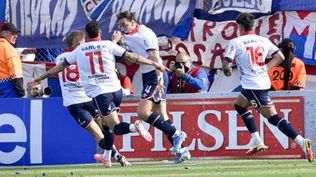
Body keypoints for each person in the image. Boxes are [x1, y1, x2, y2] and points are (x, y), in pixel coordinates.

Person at [31, 21, 167, 167]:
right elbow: (131, 57)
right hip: (113, 92)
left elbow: (58, 69)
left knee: (110, 129)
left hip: (90, 97)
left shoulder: (73, 54)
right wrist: (154, 63)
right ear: (100, 33)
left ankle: (135, 127)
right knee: (107, 128)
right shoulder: (107, 45)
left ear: (87, 36)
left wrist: (39, 78)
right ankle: (107, 157)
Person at [30, 30, 131, 167]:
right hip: (90, 98)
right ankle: (114, 154)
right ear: (79, 43)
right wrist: (113, 42)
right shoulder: (82, 54)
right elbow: (101, 55)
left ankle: (116, 156)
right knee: (107, 128)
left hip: (74, 104)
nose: (86, 43)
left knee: (97, 134)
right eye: (84, 41)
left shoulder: (59, 58)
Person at [222, 13, 313, 162]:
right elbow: (280, 57)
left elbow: (226, 65)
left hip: (253, 85)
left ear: (240, 26)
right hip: (261, 82)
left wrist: (227, 70)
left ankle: (301, 141)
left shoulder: (236, 42)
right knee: (239, 105)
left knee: (272, 117)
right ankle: (257, 140)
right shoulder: (263, 40)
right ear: (252, 26)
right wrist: (265, 67)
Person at [113, 11, 190, 163]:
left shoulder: (145, 34)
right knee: (162, 115)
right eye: (120, 25)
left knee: (142, 113)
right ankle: (182, 151)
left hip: (155, 76)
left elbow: (155, 57)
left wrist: (160, 78)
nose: (122, 28)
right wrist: (121, 44)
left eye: (124, 24)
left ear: (133, 22)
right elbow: (130, 61)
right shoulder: (127, 36)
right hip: (148, 76)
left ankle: (176, 134)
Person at [0, 22, 25, 98]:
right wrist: (21, 92)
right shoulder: (9, 49)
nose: (15, 36)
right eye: (12, 33)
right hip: (7, 87)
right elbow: (15, 73)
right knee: (10, 109)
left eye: (16, 34)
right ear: (4, 33)